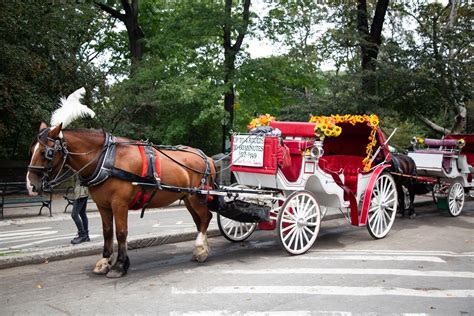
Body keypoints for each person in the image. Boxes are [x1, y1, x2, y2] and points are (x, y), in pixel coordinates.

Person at [70, 177, 90, 244]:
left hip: (81, 194)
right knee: (82, 214)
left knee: (74, 215)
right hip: (83, 192)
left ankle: (82, 235)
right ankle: (86, 236)